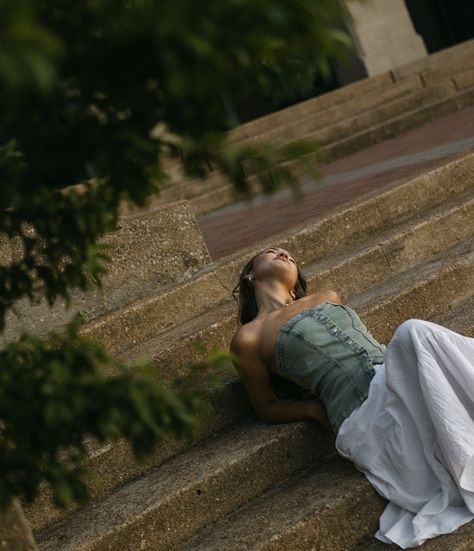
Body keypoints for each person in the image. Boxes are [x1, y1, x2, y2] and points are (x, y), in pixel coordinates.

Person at [230, 246, 474, 549]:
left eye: (290, 253)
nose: (284, 253)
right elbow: (266, 406)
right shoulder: (249, 337)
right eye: (271, 251)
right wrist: (314, 411)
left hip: (397, 378)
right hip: (360, 412)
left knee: (413, 335)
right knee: (411, 332)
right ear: (250, 275)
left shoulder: (326, 297)